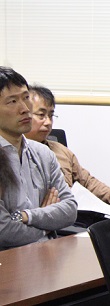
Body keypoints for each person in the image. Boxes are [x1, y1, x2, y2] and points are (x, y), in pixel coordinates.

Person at [25, 85, 110, 213]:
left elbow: (88, 182)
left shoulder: (61, 151)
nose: (48, 122)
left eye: (51, 115)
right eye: (41, 115)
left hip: (70, 215)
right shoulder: (16, 153)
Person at [0, 67, 77, 250]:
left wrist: (27, 216)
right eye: (12, 101)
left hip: (46, 255)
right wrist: (47, 226)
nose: (25, 108)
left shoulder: (43, 153)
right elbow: (3, 231)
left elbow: (70, 209)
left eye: (26, 97)